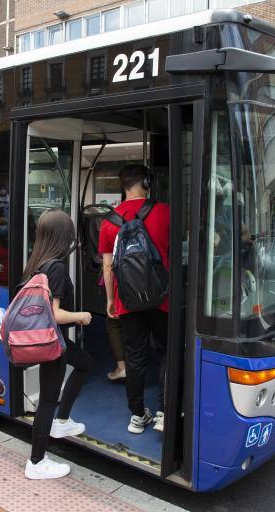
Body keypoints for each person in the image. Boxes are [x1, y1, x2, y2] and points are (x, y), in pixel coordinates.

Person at [98, 165, 170, 434]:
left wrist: (110, 301)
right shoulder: (164, 211)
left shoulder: (109, 221)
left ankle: (138, 416)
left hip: (126, 300)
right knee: (166, 352)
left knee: (135, 357)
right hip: (162, 298)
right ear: (147, 182)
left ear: (123, 186)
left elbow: (107, 267)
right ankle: (164, 412)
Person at [22, 209, 93, 480]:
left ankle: (62, 421)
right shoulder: (58, 268)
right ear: (65, 237)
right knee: (47, 400)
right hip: (53, 341)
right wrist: (82, 317)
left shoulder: (37, 261)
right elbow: (54, 313)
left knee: (86, 363)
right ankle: (36, 462)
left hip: (52, 339)